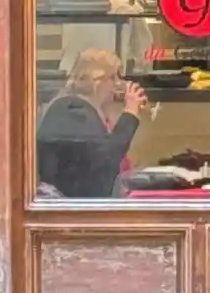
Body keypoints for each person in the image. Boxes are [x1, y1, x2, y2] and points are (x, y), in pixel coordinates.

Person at [36, 46, 147, 198]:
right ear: (97, 80)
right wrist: (130, 113)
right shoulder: (74, 110)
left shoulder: (75, 107)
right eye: (113, 77)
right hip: (74, 208)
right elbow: (106, 161)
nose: (117, 84)